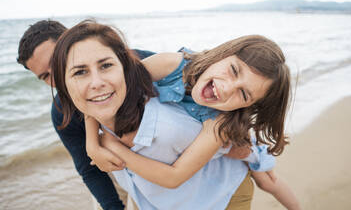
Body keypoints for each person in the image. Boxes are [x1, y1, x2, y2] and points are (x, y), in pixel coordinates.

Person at [52, 20, 254, 209]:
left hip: (223, 198)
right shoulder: (102, 109)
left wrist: (111, 146)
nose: (96, 83)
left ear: (126, 67)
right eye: (80, 72)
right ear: (64, 85)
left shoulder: (169, 125)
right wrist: (92, 145)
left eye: (106, 65)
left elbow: (238, 151)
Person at [87, 35, 301, 209]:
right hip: (212, 154)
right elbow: (103, 94)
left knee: (265, 176)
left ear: (247, 106)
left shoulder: (220, 123)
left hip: (235, 150)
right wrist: (92, 144)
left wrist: (114, 147)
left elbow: (174, 177)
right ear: (223, 54)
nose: (227, 87)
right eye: (233, 70)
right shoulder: (171, 65)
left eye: (243, 94)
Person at [16, 20, 155, 209]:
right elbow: (88, 170)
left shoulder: (134, 64)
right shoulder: (61, 112)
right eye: (46, 76)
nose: (57, 76)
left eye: (55, 61)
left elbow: (188, 70)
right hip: (118, 171)